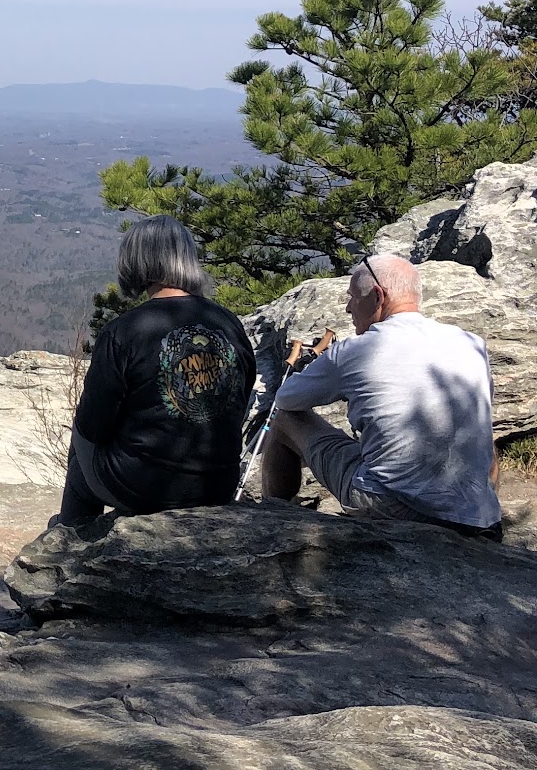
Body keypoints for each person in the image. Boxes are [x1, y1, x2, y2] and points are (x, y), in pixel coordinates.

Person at [262, 251, 503, 537]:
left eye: (352, 297)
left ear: (378, 296)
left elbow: (286, 398)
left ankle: (273, 521)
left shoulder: (355, 350)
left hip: (391, 506)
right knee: (477, 431)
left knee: (284, 420)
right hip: (478, 515)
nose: (349, 308)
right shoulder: (471, 342)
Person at [60, 217, 256, 526]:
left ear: (137, 261)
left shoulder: (124, 330)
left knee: (79, 445)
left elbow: (93, 426)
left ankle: (70, 539)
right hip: (218, 485)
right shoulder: (229, 323)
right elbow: (238, 405)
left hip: (144, 488)